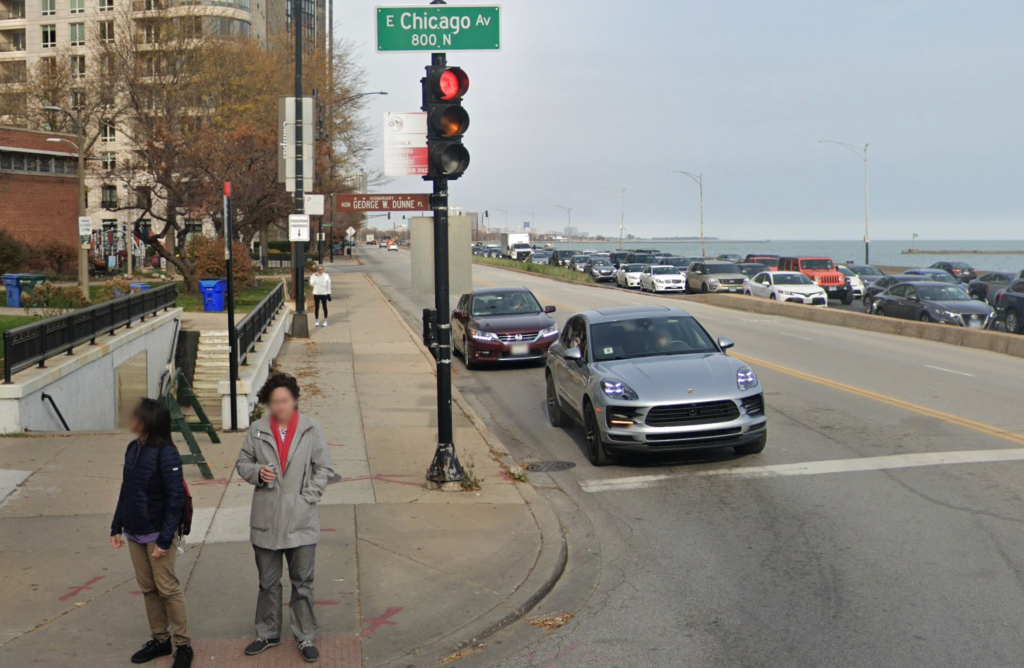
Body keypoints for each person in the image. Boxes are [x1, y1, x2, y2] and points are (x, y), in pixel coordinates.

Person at [236, 374, 334, 664]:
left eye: (285, 400)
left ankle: (305, 636)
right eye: (274, 401)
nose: (279, 406)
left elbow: (324, 468)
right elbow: (242, 463)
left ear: (294, 400)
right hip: (266, 518)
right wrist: (256, 473)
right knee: (268, 583)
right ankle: (268, 633)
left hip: (300, 520)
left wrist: (307, 498)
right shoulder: (256, 430)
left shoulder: (311, 428)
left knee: (302, 582)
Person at [110, 399, 193, 668]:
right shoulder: (132, 448)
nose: (129, 419)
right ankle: (160, 640)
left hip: (158, 534)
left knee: (167, 589)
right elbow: (127, 489)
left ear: (146, 421)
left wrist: (165, 539)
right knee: (148, 589)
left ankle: (183, 645)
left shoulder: (166, 453)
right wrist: (116, 526)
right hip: (134, 532)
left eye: (134, 415)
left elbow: (175, 499)